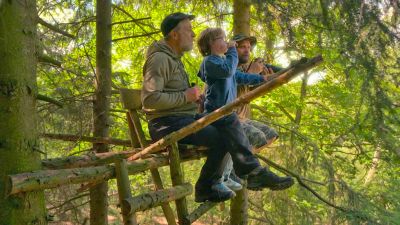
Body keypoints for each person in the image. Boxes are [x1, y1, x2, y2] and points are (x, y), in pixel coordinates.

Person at [141, 12, 293, 203]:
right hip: (166, 125)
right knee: (225, 129)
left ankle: (215, 184)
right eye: (188, 30)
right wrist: (185, 96)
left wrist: (192, 99)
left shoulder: (173, 59)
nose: (193, 34)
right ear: (174, 34)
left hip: (181, 119)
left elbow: (172, 95)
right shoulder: (160, 59)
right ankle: (245, 175)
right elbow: (149, 100)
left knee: (227, 125)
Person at [196, 27, 294, 192]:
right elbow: (229, 72)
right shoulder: (212, 62)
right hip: (215, 114)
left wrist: (268, 77)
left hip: (226, 114)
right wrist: (233, 51)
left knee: (265, 134)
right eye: (241, 46)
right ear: (211, 44)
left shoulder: (227, 64)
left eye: (249, 47)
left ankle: (250, 172)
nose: (246, 50)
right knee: (242, 128)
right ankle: (251, 172)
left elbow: (243, 78)